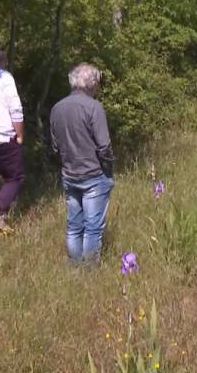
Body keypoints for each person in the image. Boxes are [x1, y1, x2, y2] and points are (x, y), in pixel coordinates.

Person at [50, 63, 114, 264]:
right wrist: (108, 170)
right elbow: (104, 146)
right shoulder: (94, 107)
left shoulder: (57, 108)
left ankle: (75, 267)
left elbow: (54, 146)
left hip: (69, 173)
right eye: (97, 82)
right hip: (94, 174)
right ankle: (89, 270)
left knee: (73, 226)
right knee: (93, 227)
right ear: (92, 83)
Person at [0, 48, 24, 231]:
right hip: (2, 136)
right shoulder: (5, 78)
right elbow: (15, 109)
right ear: (1, 61)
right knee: (15, 177)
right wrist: (20, 135)